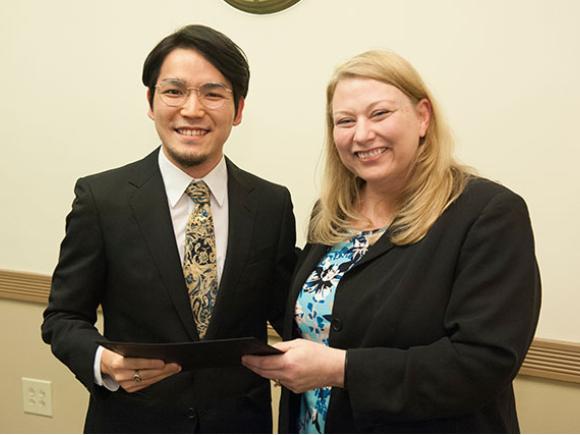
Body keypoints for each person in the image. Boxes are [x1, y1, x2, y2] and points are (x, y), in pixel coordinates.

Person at [242, 49, 541, 433]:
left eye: (379, 113)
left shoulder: (487, 214)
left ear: (422, 116)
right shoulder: (330, 213)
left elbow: (483, 363)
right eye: (345, 121)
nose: (362, 134)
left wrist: (339, 369)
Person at [42, 24, 297, 433]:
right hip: (132, 420)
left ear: (238, 108)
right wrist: (103, 361)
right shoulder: (101, 199)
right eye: (174, 91)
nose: (192, 110)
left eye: (212, 93)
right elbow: (63, 317)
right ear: (151, 100)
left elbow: (290, 313)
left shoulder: (271, 204)